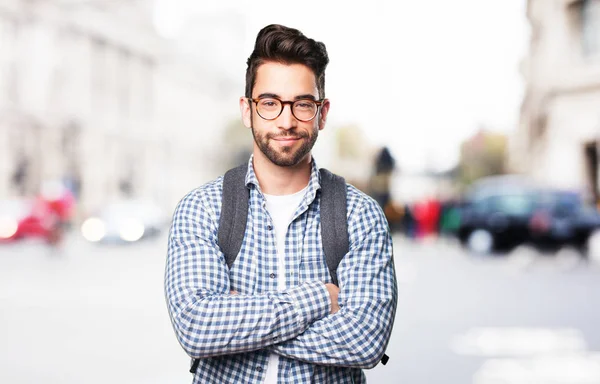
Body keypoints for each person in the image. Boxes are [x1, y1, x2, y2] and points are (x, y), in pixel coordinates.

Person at [164, 24, 397, 384]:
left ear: (322, 112)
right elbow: (198, 328)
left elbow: (365, 341)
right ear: (247, 110)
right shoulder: (203, 208)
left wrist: (237, 326)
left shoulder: (359, 216)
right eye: (270, 103)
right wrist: (320, 299)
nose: (286, 121)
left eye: (302, 105)